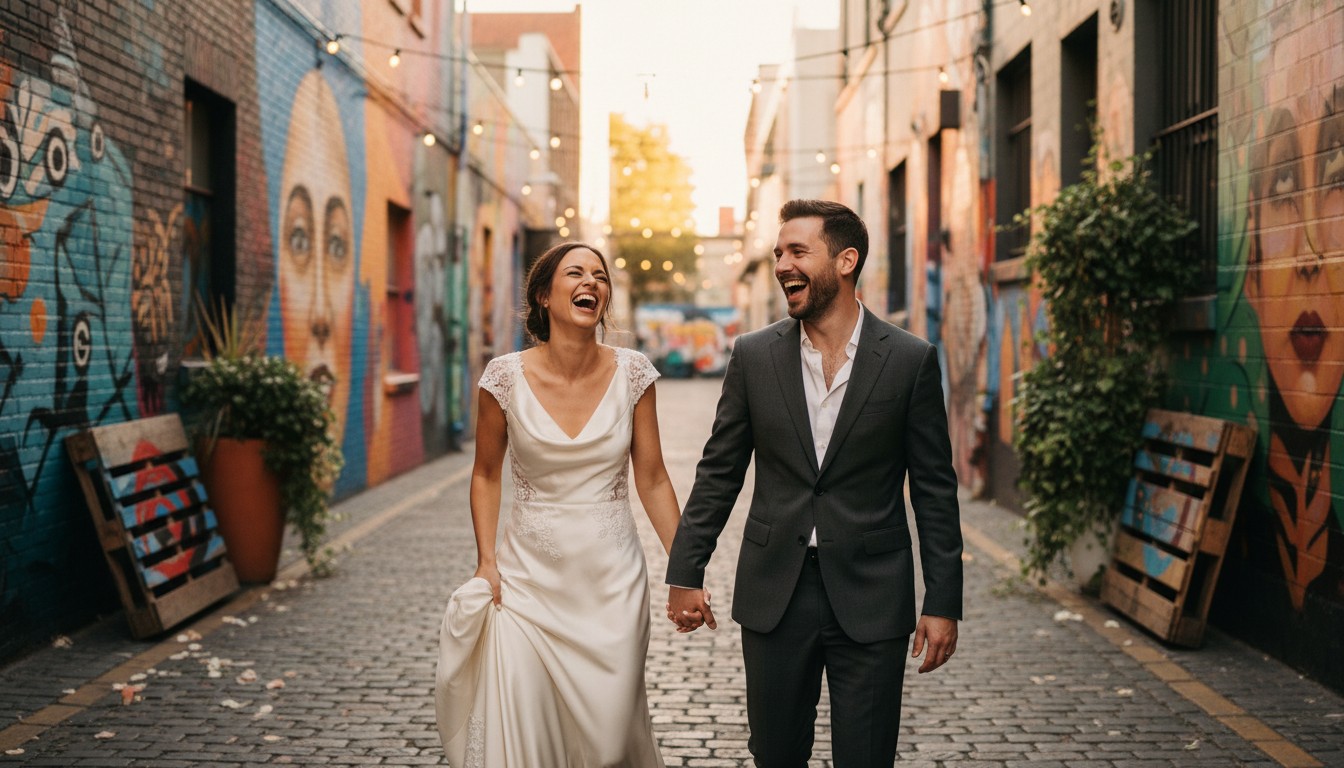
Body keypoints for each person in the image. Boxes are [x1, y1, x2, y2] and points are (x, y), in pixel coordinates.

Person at [665, 199, 963, 766]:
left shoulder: (908, 359)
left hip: (873, 594)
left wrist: (943, 600)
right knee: (775, 755)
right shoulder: (754, 356)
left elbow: (933, 490)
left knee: (867, 756)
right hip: (776, 591)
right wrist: (685, 571)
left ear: (845, 260)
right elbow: (719, 471)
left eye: (797, 251)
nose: (781, 265)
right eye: (779, 253)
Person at [435, 241, 681, 766]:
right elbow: (484, 473)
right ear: (545, 296)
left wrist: (686, 567)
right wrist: (486, 561)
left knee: (610, 741)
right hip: (527, 585)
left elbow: (654, 478)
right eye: (576, 273)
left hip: (612, 586)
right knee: (527, 724)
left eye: (600, 275)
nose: (591, 282)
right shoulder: (503, 378)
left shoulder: (635, 374)